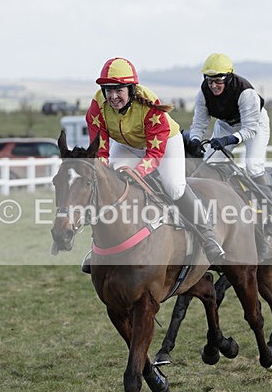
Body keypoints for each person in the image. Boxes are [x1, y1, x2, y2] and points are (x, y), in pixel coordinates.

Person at [84, 57, 226, 262]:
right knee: (109, 183)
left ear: (131, 90)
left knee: (174, 187)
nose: (113, 96)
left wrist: (137, 173)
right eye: (109, 90)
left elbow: (154, 154)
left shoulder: (149, 105)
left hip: (165, 143)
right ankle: (97, 246)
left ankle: (208, 236)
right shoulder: (97, 105)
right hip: (127, 146)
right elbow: (101, 150)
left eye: (119, 90)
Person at [185, 53, 272, 235]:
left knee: (253, 166)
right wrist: (196, 140)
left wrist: (228, 140)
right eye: (209, 80)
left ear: (228, 77)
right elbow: (198, 124)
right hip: (226, 124)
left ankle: (271, 214)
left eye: (218, 80)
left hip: (254, 124)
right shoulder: (203, 92)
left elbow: (250, 130)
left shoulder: (246, 93)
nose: (213, 85)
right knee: (210, 162)